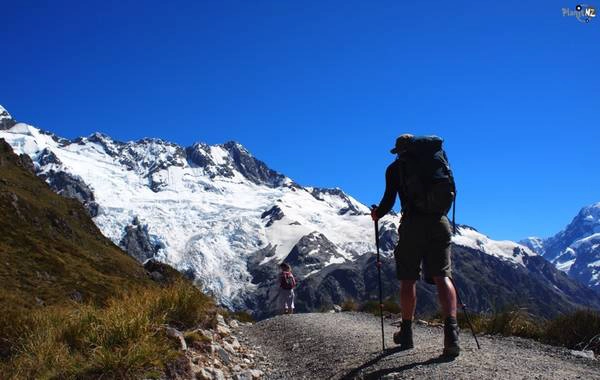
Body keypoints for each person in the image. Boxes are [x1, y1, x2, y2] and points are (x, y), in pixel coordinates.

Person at [371, 134, 460, 357]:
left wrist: (377, 214)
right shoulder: (436, 161)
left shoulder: (395, 168)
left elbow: (389, 200)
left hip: (412, 224)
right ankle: (452, 334)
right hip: (440, 221)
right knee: (443, 276)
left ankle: (407, 333)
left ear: (399, 150)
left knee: (408, 278)